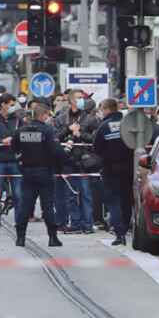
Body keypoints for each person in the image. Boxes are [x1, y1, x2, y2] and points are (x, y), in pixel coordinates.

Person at [11, 104, 64, 247]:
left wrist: (20, 162)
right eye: (46, 115)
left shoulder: (21, 131)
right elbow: (55, 151)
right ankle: (52, 237)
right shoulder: (46, 130)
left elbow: (13, 147)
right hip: (44, 172)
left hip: (27, 172)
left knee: (25, 206)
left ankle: (20, 237)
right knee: (47, 206)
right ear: (41, 116)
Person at [91, 97, 134, 246]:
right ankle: (127, 226)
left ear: (106, 109)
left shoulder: (104, 127)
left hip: (110, 168)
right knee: (127, 199)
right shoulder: (127, 124)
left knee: (114, 201)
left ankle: (119, 233)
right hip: (129, 167)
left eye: (101, 109)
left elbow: (95, 148)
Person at [54, 92, 98, 234]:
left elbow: (95, 139)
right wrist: (68, 130)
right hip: (67, 160)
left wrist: (81, 136)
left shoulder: (90, 118)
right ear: (72, 100)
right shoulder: (61, 118)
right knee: (70, 194)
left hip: (84, 160)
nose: (82, 101)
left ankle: (88, 224)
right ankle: (75, 223)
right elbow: (55, 137)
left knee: (86, 193)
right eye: (79, 98)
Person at [0, 92, 21, 235]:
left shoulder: (16, 120)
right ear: (3, 105)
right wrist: (3, 142)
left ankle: (19, 222)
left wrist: (14, 141)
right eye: (11, 105)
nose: (13, 108)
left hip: (15, 161)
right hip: (0, 161)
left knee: (18, 194)